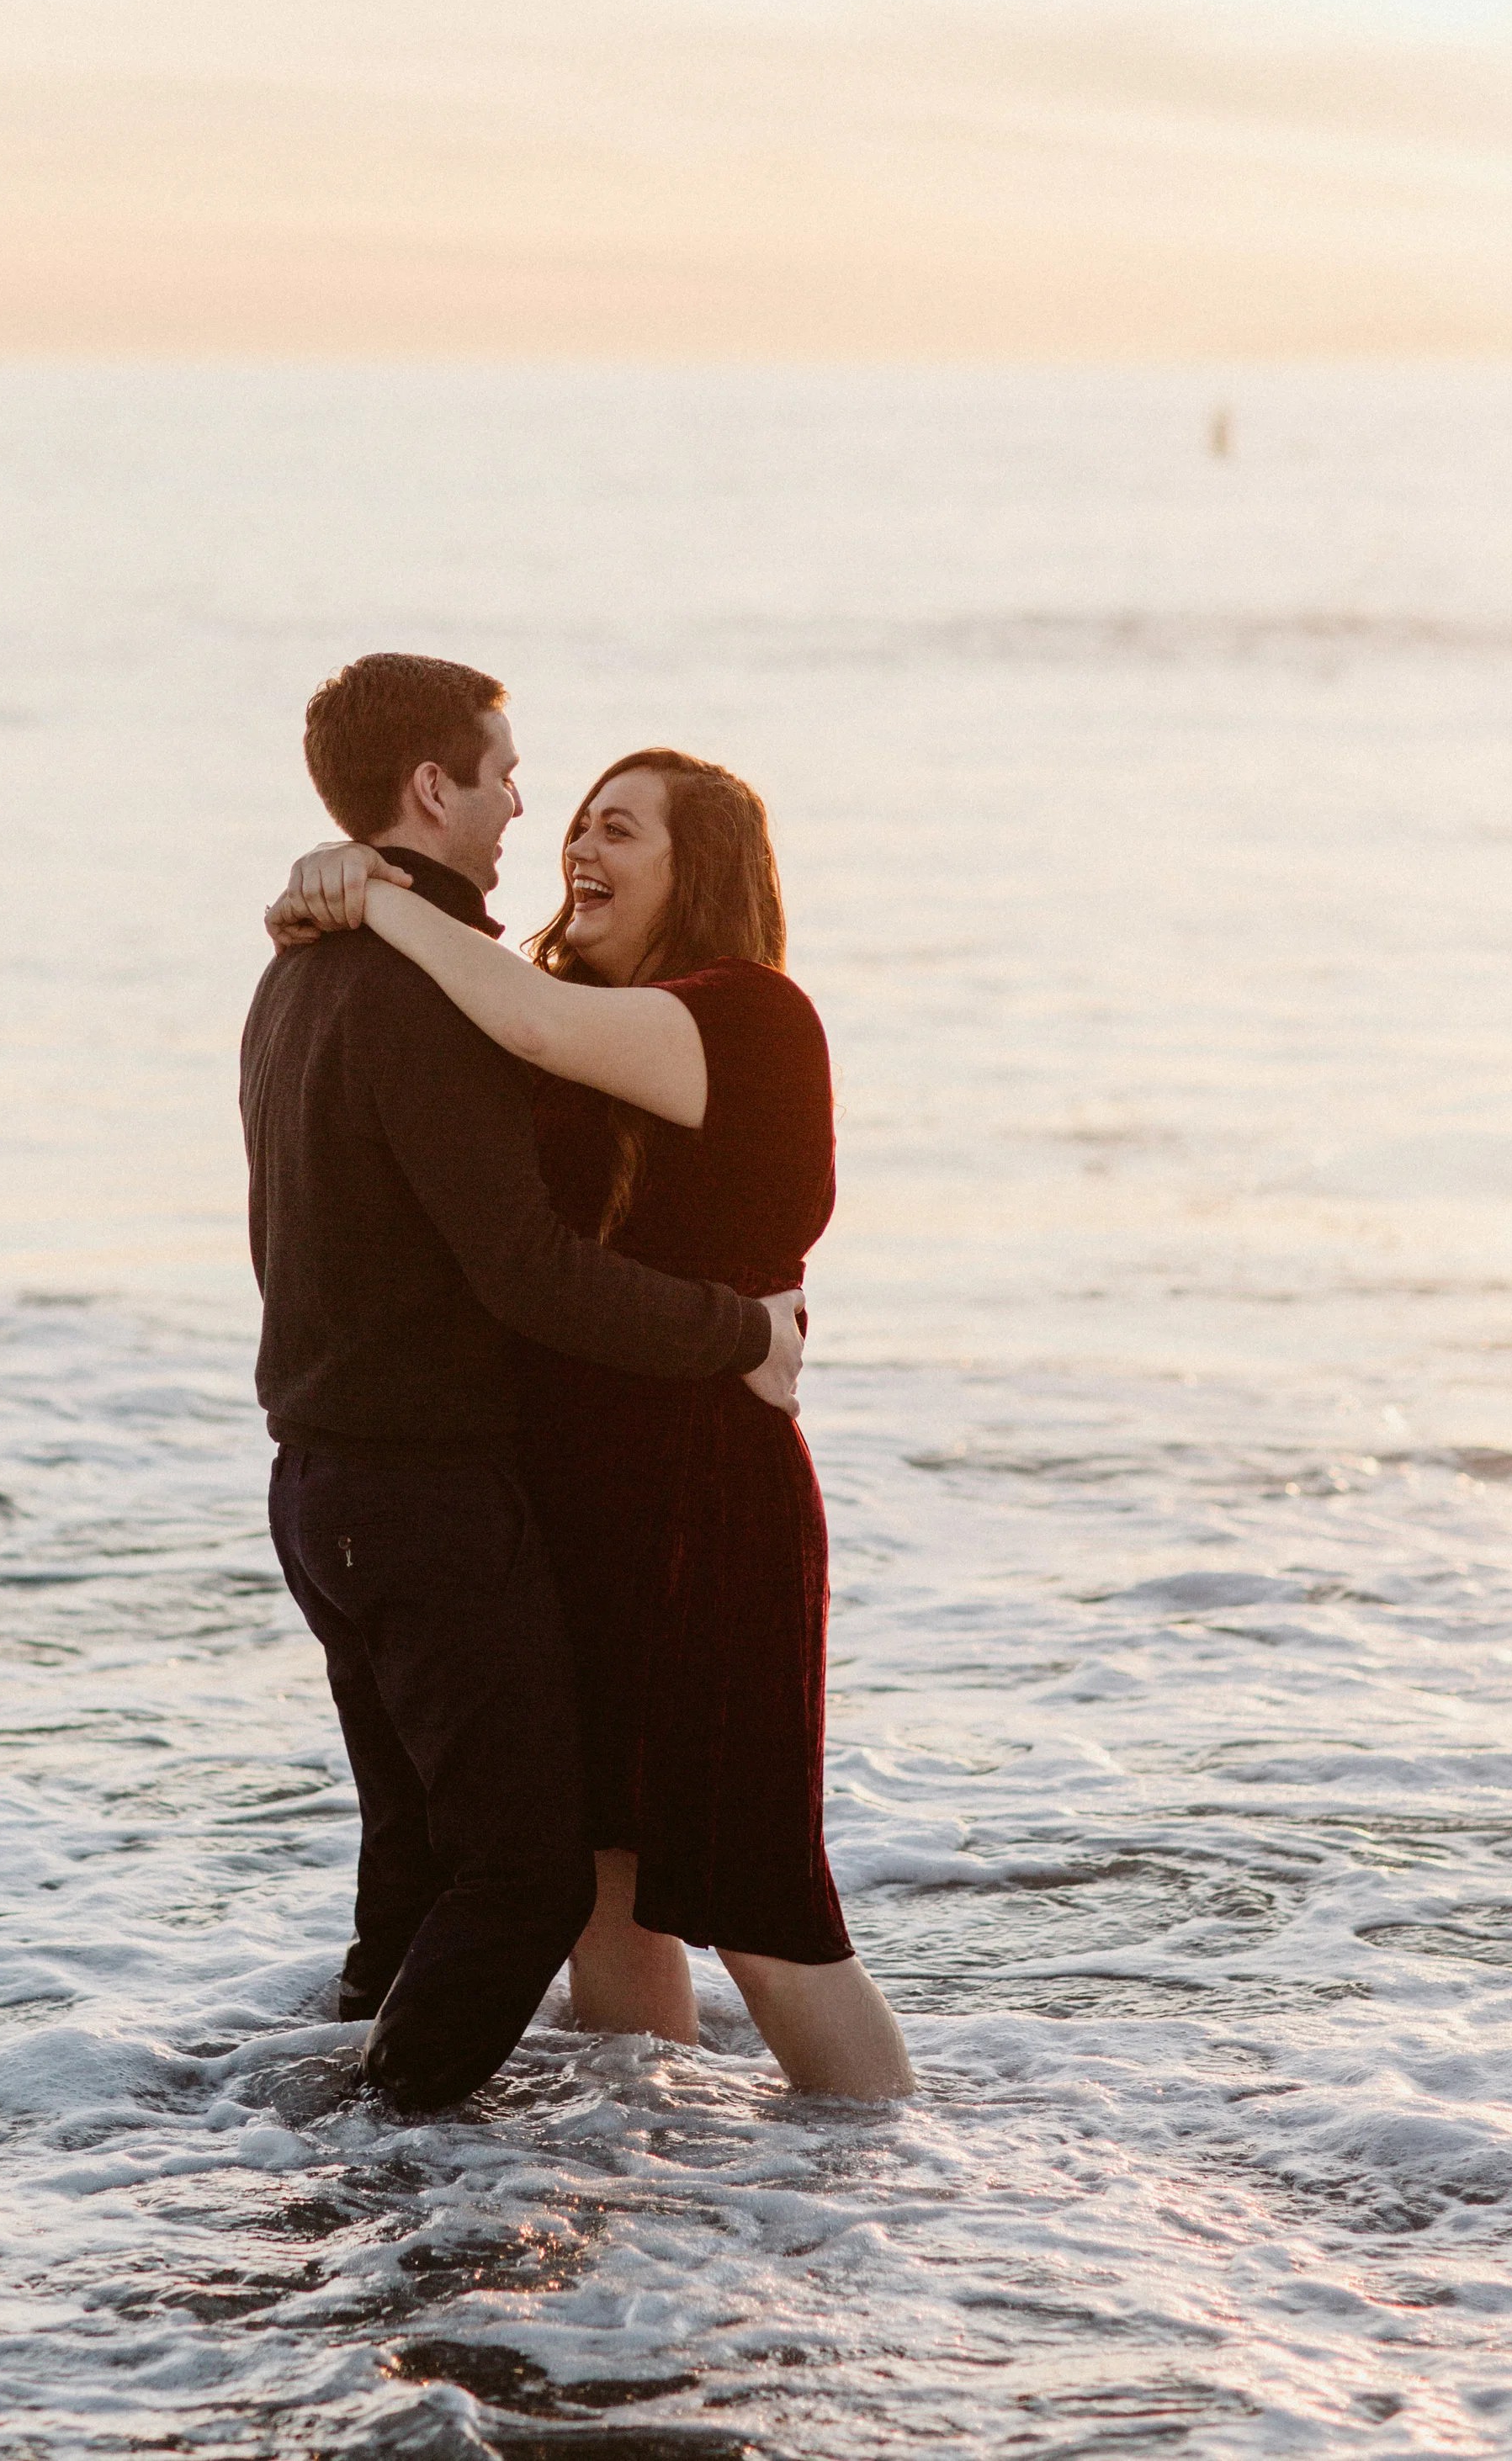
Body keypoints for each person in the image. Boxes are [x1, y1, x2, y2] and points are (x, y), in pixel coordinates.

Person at [268, 743, 914, 2101]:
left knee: (761, 1903)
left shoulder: (746, 1015)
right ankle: (652, 2205)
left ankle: (883, 2192)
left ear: (706, 866)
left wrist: (373, 886)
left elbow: (529, 1021)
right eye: (574, 825)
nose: (580, 852)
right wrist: (345, 890)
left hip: (706, 1504)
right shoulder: (561, 1005)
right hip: (565, 1503)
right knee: (603, 1885)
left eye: (621, 831)